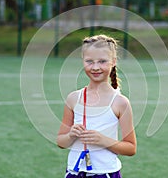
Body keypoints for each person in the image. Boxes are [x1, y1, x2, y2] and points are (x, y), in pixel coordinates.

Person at [57, 35, 137, 178]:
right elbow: (61, 142)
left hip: (105, 173)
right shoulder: (73, 98)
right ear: (83, 61)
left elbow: (130, 148)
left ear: (113, 61)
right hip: (74, 172)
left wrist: (103, 140)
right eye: (89, 61)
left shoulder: (120, 102)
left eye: (102, 61)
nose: (95, 67)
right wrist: (71, 135)